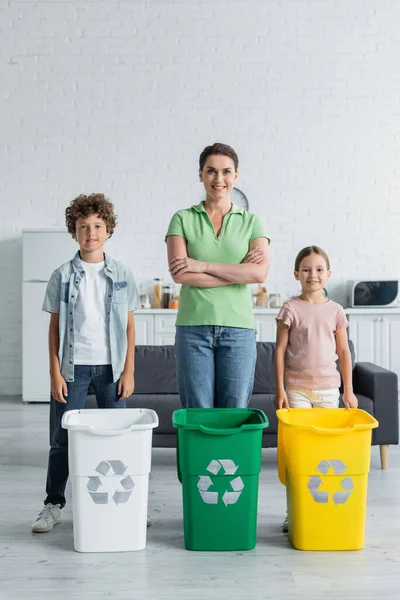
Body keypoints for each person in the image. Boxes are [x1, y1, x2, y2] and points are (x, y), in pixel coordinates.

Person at [32, 193, 140, 533]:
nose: (90, 232)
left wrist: (129, 370)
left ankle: (124, 502)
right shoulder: (61, 275)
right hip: (73, 370)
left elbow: (130, 325)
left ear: (108, 230)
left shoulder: (122, 273)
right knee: (61, 439)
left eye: (97, 225)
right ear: (74, 232)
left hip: (111, 369)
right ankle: (53, 505)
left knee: (118, 438)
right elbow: (53, 328)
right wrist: (53, 372)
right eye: (83, 226)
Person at [166, 142, 270, 408]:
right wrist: (238, 272)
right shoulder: (182, 218)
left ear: (236, 176)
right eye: (211, 171)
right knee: (197, 411)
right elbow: (180, 275)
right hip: (192, 328)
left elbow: (259, 273)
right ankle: (200, 453)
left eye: (226, 171)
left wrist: (201, 265)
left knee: (234, 410)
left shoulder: (252, 222)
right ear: (200, 174)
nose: (218, 179)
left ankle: (231, 453)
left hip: (238, 329)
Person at [274, 245, 358, 532]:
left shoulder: (336, 311)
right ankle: (293, 511)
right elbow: (280, 350)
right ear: (296, 274)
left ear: (329, 274)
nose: (313, 275)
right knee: (300, 454)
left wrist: (348, 391)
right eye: (307, 270)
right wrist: (281, 389)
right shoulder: (290, 308)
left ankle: (321, 505)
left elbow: (344, 352)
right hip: (296, 390)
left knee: (324, 454)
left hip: (328, 391)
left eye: (319, 269)